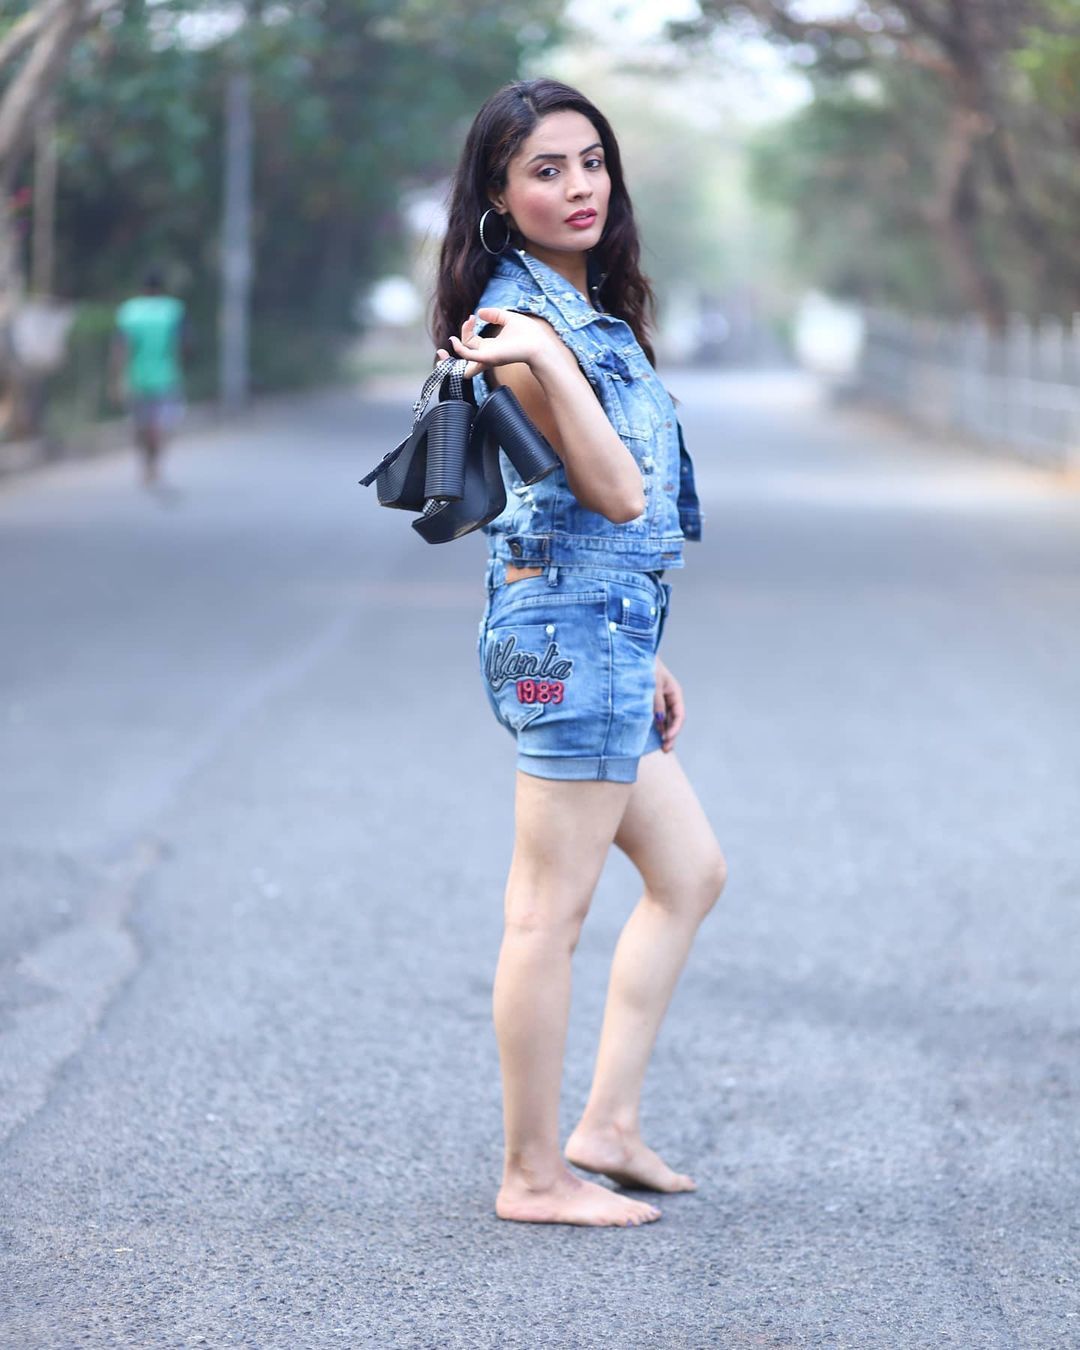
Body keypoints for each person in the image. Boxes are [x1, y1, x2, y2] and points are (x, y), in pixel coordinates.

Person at [432, 79, 728, 1228]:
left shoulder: (582, 311)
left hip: (602, 631)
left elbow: (602, 525)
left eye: (591, 161)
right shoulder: (519, 327)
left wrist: (644, 647)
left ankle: (606, 1126)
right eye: (546, 170)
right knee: (545, 916)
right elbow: (612, 491)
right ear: (499, 196)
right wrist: (550, 362)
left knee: (689, 873)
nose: (579, 187)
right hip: (564, 637)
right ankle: (532, 1173)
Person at [110, 269, 187, 490]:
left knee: (140, 426)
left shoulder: (129, 311)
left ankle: (146, 465)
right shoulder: (173, 310)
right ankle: (154, 465)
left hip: (136, 378)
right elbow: (183, 344)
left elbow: (120, 347)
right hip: (166, 377)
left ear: (141, 288)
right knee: (161, 426)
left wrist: (116, 378)